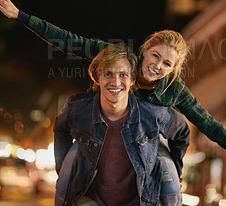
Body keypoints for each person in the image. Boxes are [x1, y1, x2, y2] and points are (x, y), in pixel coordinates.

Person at [0, 0, 226, 201]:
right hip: (100, 129)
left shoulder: (173, 89)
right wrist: (20, 16)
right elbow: (69, 41)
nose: (158, 66)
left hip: (144, 144)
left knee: (166, 168)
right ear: (144, 49)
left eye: (167, 64)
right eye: (155, 56)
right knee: (73, 163)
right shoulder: (119, 59)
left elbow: (208, 124)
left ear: (173, 70)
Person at [53, 42, 190, 206]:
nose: (115, 82)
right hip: (90, 200)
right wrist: (63, 169)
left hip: (140, 202)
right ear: (97, 77)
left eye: (123, 75)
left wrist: (174, 170)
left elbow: (182, 132)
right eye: (108, 74)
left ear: (133, 79)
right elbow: (60, 130)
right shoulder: (77, 108)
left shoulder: (153, 113)